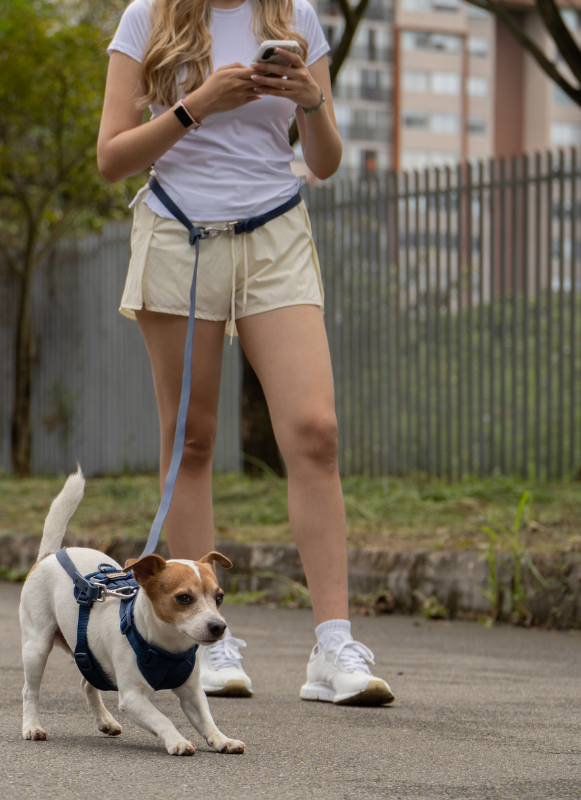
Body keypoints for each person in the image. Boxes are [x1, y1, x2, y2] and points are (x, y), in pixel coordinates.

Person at [97, 0, 394, 706]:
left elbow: (323, 160)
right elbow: (110, 158)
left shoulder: (294, 17)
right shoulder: (147, 18)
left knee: (315, 433)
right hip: (178, 235)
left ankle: (333, 646)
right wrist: (197, 105)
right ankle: (211, 642)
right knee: (192, 439)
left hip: (275, 232)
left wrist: (312, 101)